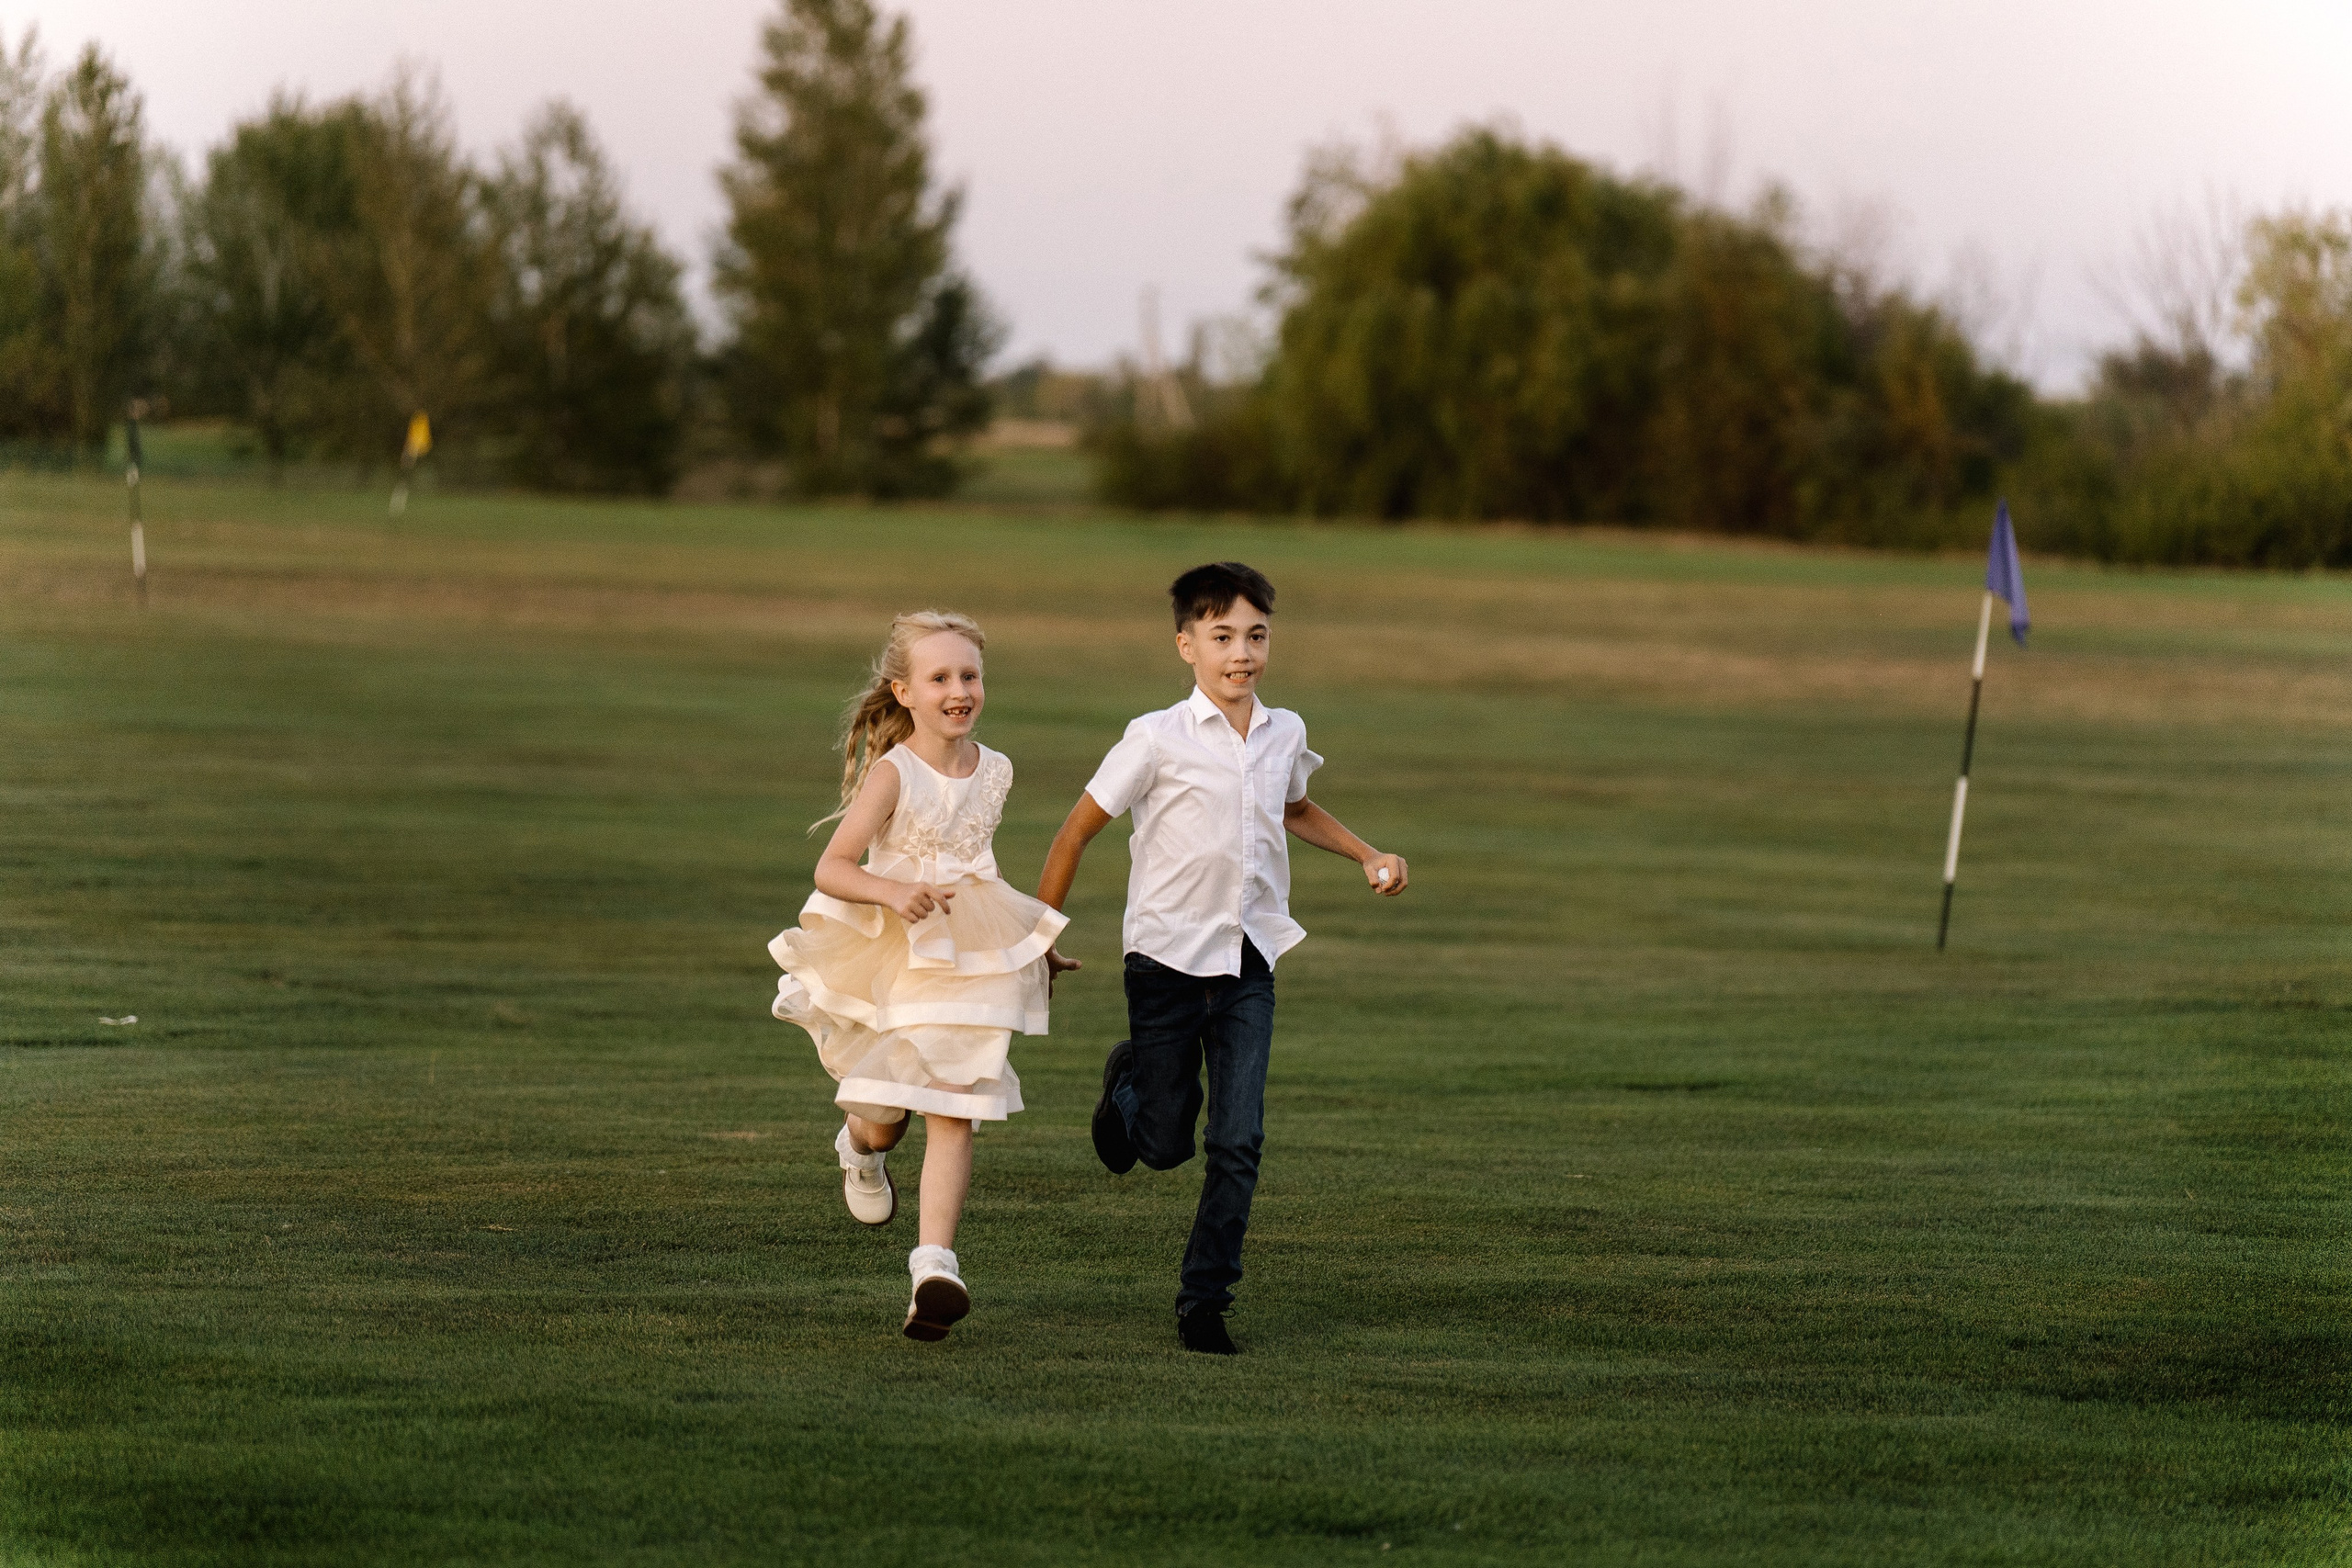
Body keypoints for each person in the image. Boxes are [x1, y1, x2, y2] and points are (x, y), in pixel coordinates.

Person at [1035, 563, 1408, 1354]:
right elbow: (1076, 830)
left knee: (1238, 1140)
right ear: (1187, 645)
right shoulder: (1154, 737)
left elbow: (1294, 806)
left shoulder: (1285, 731)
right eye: (1223, 636)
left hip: (1250, 963)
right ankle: (1130, 1084)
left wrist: (1368, 852)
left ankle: (1204, 1303)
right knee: (1165, 1144)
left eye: (1256, 635)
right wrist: (1040, 936)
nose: (1242, 652)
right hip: (1164, 963)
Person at [769, 610, 1066, 1341]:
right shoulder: (894, 772)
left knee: (956, 1101)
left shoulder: (996, 769)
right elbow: (833, 866)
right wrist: (895, 891)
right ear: (904, 691)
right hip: (894, 954)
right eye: (940, 678)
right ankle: (858, 1148)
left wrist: (1032, 945)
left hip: (964, 960)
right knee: (886, 1118)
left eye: (970, 675)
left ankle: (934, 1268)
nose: (959, 691)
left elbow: (983, 869)